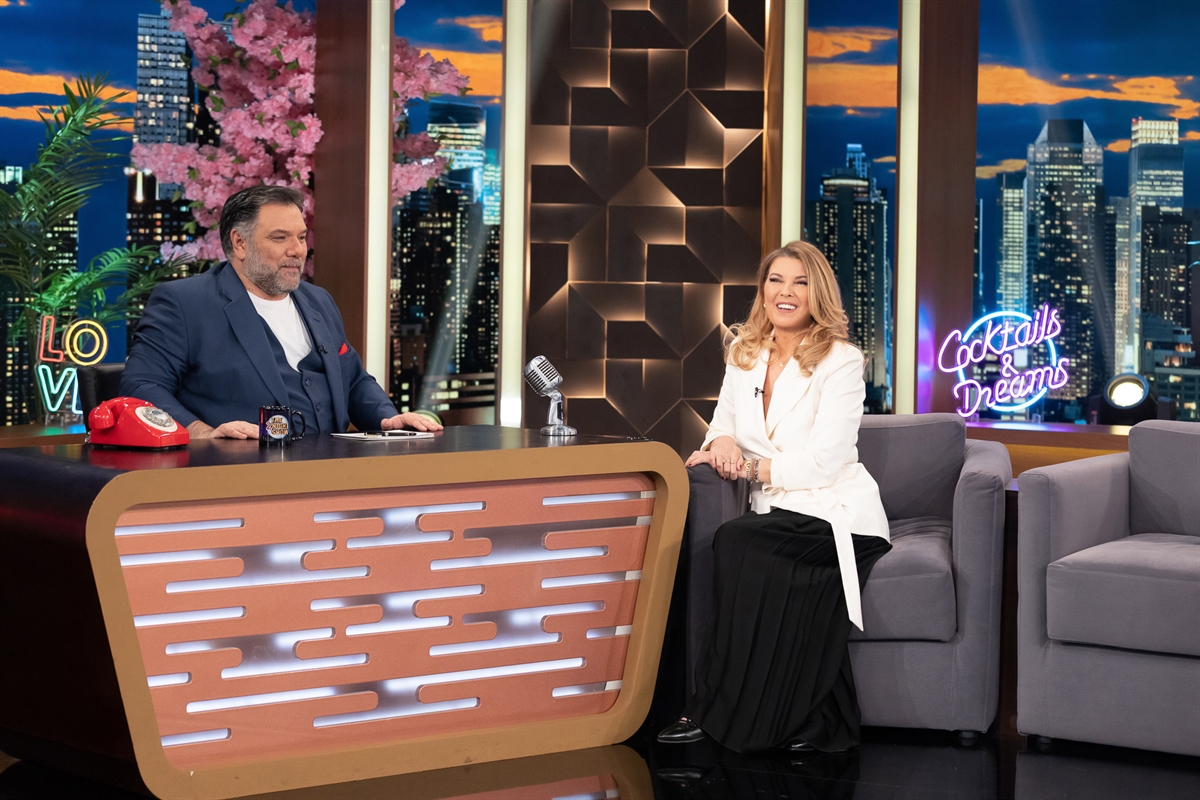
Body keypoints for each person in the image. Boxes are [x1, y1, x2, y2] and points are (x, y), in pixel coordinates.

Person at [657, 240, 891, 754]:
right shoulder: (744, 354)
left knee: (738, 543)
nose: (786, 292)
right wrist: (719, 443)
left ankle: (712, 713)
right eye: (776, 280)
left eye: (800, 282)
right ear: (763, 290)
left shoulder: (841, 360)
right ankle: (808, 718)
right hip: (776, 509)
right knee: (738, 543)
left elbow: (826, 461)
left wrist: (750, 467)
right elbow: (722, 425)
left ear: (817, 293)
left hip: (836, 512)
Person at [121, 185, 441, 438]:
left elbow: (353, 380)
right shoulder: (185, 303)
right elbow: (141, 386)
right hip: (236, 476)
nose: (297, 250)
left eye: (301, 237)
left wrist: (387, 419)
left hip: (332, 474)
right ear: (240, 243)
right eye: (280, 238)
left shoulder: (319, 301)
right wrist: (201, 433)